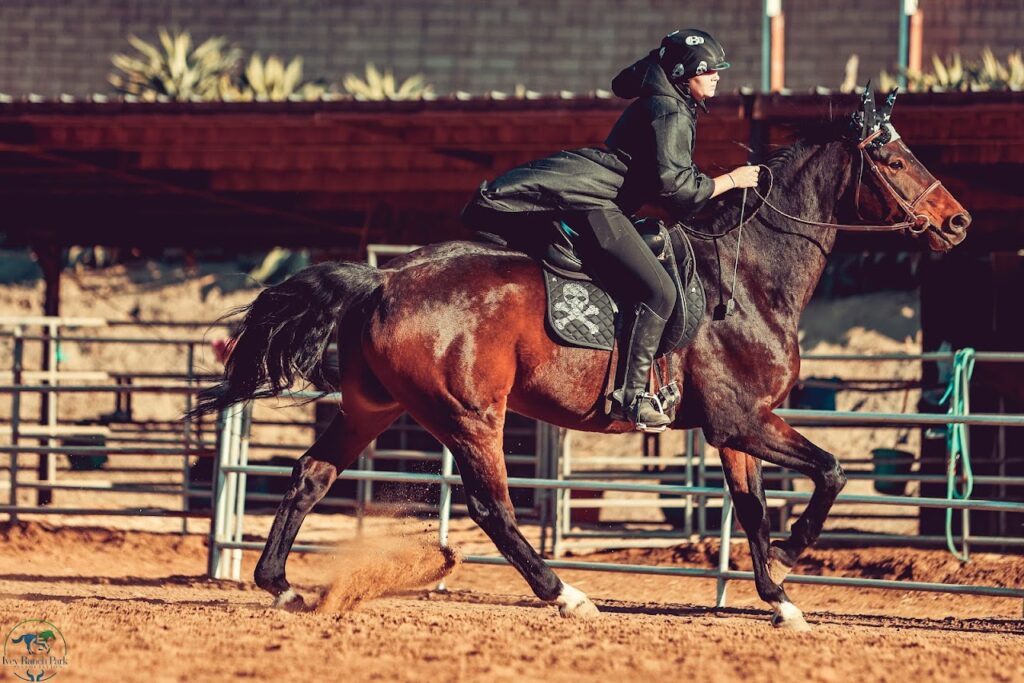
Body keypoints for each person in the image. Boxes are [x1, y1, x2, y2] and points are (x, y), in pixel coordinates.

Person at [460, 29, 760, 431]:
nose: (717, 77)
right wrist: (732, 181)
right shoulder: (670, 111)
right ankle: (631, 397)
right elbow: (675, 187)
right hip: (599, 204)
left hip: (602, 198)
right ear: (686, 73)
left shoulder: (663, 95)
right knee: (659, 291)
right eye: (710, 71)